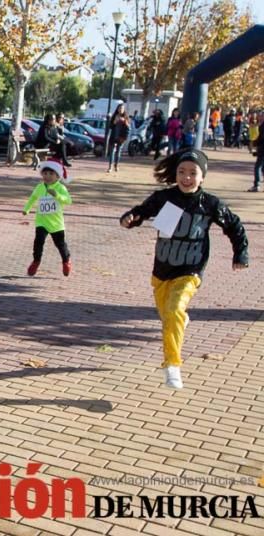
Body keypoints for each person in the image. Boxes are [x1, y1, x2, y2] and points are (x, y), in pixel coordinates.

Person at [119, 149, 249, 389]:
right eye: (181, 172)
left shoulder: (209, 204)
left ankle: (172, 365)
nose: (186, 177)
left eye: (193, 173)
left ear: (202, 177)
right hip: (162, 271)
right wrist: (129, 218)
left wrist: (240, 253)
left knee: (174, 309)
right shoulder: (164, 198)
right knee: (169, 315)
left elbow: (234, 225)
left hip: (190, 270)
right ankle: (181, 319)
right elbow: (141, 212)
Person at [23, 161, 72, 277]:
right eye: (45, 174)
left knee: (60, 245)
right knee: (38, 242)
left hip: (56, 223)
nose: (47, 176)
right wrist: (27, 209)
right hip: (42, 222)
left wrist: (57, 195)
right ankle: (36, 262)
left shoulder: (60, 187)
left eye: (51, 174)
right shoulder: (39, 187)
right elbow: (33, 198)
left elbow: (69, 201)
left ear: (57, 176)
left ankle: (66, 261)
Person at [107, 104, 130, 173]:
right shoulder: (114, 116)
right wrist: (114, 122)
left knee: (118, 153)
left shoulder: (126, 117)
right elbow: (110, 126)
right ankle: (110, 167)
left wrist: (125, 122)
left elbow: (128, 128)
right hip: (113, 137)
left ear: (124, 110)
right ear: (117, 109)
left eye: (122, 109)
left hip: (121, 137)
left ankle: (116, 165)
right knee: (111, 152)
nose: (120, 110)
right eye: (119, 108)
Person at [251, 114, 264, 192]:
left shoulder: (263, 125)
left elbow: (261, 137)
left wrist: (256, 143)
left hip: (263, 149)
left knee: (258, 167)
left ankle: (257, 185)